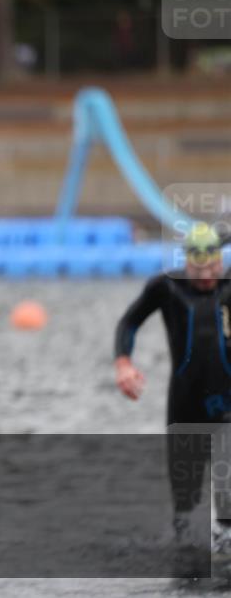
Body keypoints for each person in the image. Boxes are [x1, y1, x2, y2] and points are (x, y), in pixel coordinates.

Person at [114, 222, 230, 558]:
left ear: (221, 262)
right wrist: (123, 363)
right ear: (186, 263)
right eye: (197, 268)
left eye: (212, 267)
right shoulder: (167, 288)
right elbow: (129, 322)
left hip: (228, 406)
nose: (206, 275)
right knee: (185, 516)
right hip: (185, 407)